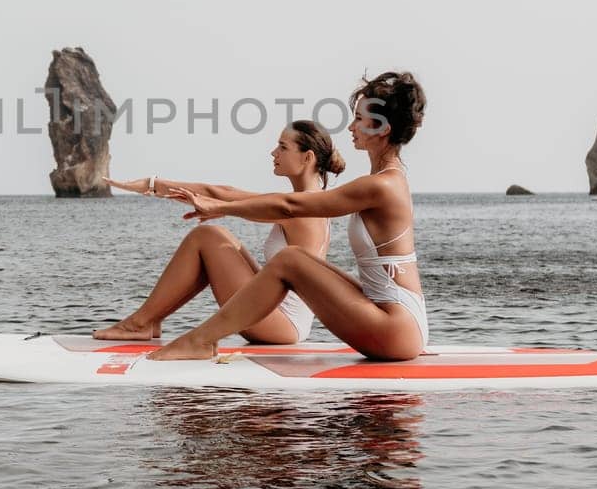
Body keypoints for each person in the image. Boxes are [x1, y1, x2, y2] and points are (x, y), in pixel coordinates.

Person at [149, 71, 428, 362]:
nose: (351, 126)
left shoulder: (382, 185)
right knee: (294, 259)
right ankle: (196, 337)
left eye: (359, 119)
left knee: (289, 259)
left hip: (396, 328)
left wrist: (220, 208)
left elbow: (291, 206)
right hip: (394, 321)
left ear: (382, 129)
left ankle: (201, 340)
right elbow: (287, 204)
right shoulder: (384, 179)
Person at [96, 120, 345, 344]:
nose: (273, 152)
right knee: (218, 236)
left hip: (281, 324)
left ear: (307, 157)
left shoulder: (298, 208)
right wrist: (226, 208)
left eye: (282, 147)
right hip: (281, 318)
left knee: (207, 236)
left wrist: (150, 185)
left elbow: (220, 192)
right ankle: (151, 319)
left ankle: (141, 322)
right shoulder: (308, 201)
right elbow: (226, 195)